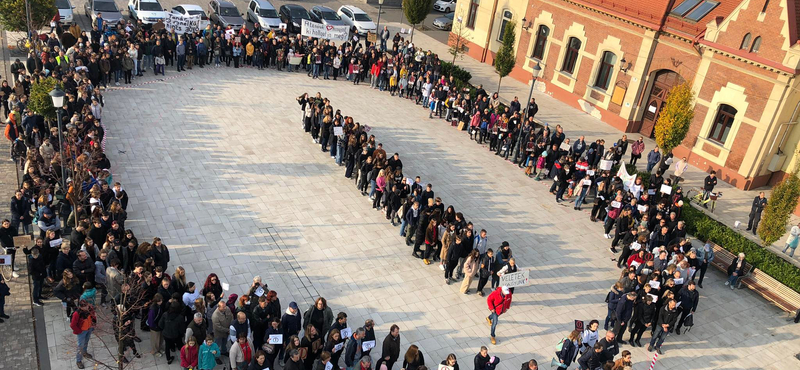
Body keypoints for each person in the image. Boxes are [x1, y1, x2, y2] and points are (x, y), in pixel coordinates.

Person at [70, 300, 96, 369]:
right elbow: (72, 325)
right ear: (80, 307)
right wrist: (79, 331)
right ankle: (78, 360)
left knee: (86, 342)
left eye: (86, 306)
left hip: (89, 328)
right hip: (82, 331)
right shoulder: (77, 313)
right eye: (84, 307)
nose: (86, 308)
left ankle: (84, 352)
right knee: (80, 346)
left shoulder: (90, 309)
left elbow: (93, 316)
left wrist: (93, 324)